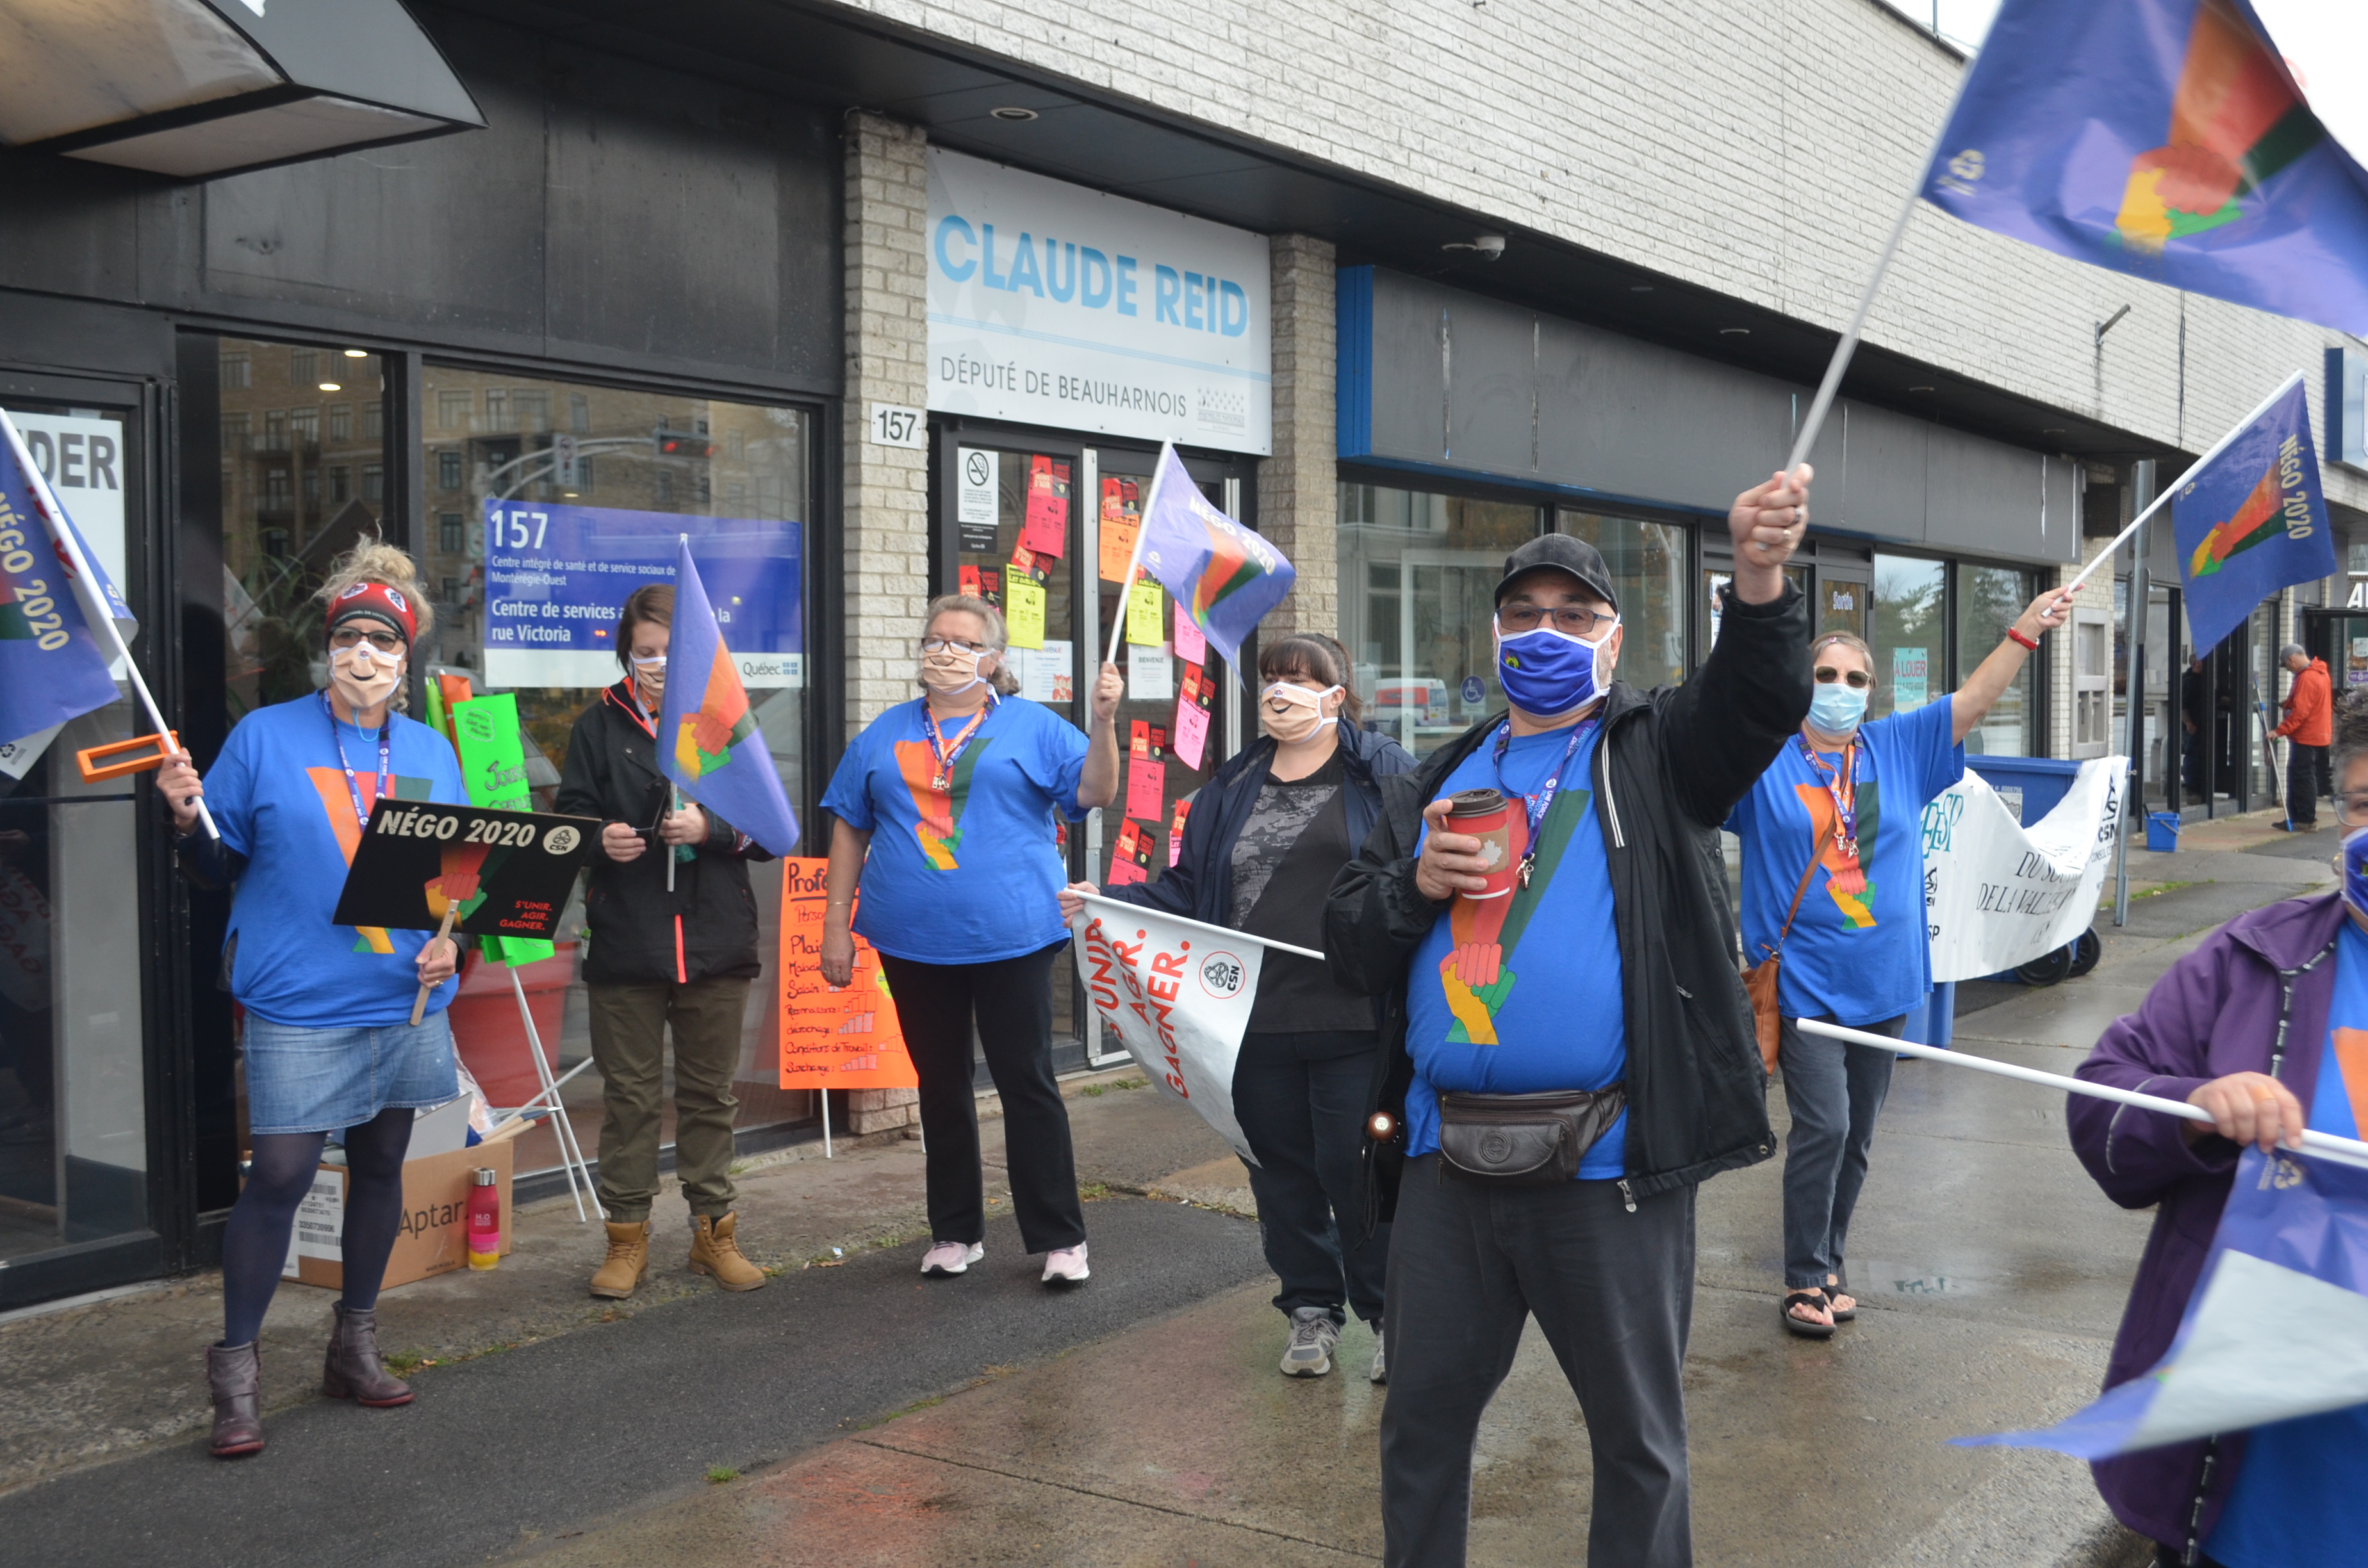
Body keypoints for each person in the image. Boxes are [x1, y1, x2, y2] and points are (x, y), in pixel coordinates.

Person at [1328, 468, 1816, 1568]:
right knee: (1419, 1429)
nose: (1544, 632)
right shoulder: (1442, 770)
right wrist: (1414, 883)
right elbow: (1348, 933)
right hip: (1446, 1170)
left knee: (1638, 1443)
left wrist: (1758, 574)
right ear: (1494, 631)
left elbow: (1755, 695)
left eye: (1573, 614)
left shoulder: (1653, 752)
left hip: (1608, 1172)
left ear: (1613, 636)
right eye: (1524, 613)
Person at [156, 544, 463, 1459]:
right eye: (349, 638)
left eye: (382, 640)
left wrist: (458, 942)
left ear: (407, 658)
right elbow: (216, 867)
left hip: (403, 998)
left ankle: (354, 1347)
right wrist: (185, 819)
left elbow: (459, 876)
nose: (363, 654)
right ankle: (237, 1374)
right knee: (282, 1176)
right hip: (297, 993)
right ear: (326, 649)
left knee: (381, 1169)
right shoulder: (264, 738)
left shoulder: (431, 751)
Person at [1060, 634, 1415, 1381]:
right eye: (1271, 679)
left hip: (1353, 1014)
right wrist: (1109, 902)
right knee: (1279, 1172)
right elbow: (1188, 890)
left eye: (1299, 680)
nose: (1281, 692)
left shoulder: (1383, 772)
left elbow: (1412, 882)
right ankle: (1311, 1311)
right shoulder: (1233, 783)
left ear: (1337, 696)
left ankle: (1391, 1316)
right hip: (1249, 1016)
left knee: (1354, 1172)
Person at [2068, 686, 2368, 1568]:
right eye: (2361, 806)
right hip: (2246, 1493)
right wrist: (2195, 1110)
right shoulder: (2252, 960)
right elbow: (2101, 1103)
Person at [1727, 592, 2069, 1338]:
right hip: (1806, 987)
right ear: (1802, 679)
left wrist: (2026, 629)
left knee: (1858, 1138)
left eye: (1857, 679)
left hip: (1886, 983)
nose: (1842, 690)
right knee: (1824, 1126)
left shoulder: (1898, 748)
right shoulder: (1763, 757)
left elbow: (1976, 697)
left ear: (1873, 692)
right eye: (1826, 673)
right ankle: (1802, 1278)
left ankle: (1831, 1260)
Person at [819, 594, 1122, 1285]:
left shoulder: (1033, 727)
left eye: (961, 641)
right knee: (941, 1086)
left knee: (1026, 1081)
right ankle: (955, 1232)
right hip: (911, 937)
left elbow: (1095, 792)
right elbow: (848, 827)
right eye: (934, 639)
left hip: (1014, 935)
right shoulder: (883, 733)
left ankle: (1060, 1238)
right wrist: (836, 924)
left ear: (994, 659)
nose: (945, 651)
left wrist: (1103, 722)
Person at [555, 584, 780, 1299]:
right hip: (629, 941)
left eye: (668, 653)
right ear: (626, 650)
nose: (655, 665)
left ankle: (716, 1236)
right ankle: (626, 1241)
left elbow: (769, 832)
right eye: (644, 652)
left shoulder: (725, 724)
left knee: (711, 1095)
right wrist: (602, 840)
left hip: (715, 940)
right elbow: (569, 823)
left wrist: (709, 830)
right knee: (629, 1099)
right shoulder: (597, 725)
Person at [2269, 642, 2331, 831]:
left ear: (2291, 659)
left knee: (2302, 777)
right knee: (2302, 775)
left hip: (2306, 735)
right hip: (2318, 733)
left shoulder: (2306, 678)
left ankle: (2305, 819)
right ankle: (2298, 817)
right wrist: (2289, 704)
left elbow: (2301, 712)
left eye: (2287, 666)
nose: (2288, 670)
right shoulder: (2321, 673)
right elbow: (2309, 705)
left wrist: (2279, 731)